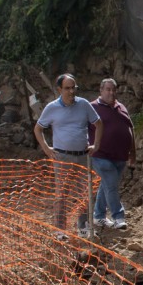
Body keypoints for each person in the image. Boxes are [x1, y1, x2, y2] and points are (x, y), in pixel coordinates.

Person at [34, 74, 102, 234]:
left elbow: (99, 123)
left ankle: (83, 226)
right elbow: (38, 129)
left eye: (73, 87)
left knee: (84, 191)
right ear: (59, 89)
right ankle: (60, 230)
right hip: (62, 157)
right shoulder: (51, 108)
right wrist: (46, 148)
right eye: (67, 88)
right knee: (62, 193)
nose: (71, 91)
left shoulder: (84, 104)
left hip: (82, 155)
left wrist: (96, 145)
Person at [89, 78, 136, 229]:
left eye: (114, 89)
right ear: (101, 91)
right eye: (108, 89)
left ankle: (98, 216)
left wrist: (133, 151)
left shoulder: (121, 107)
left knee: (107, 185)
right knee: (111, 185)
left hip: (120, 155)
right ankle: (118, 217)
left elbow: (130, 129)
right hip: (100, 155)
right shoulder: (92, 107)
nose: (111, 92)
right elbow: (81, 127)